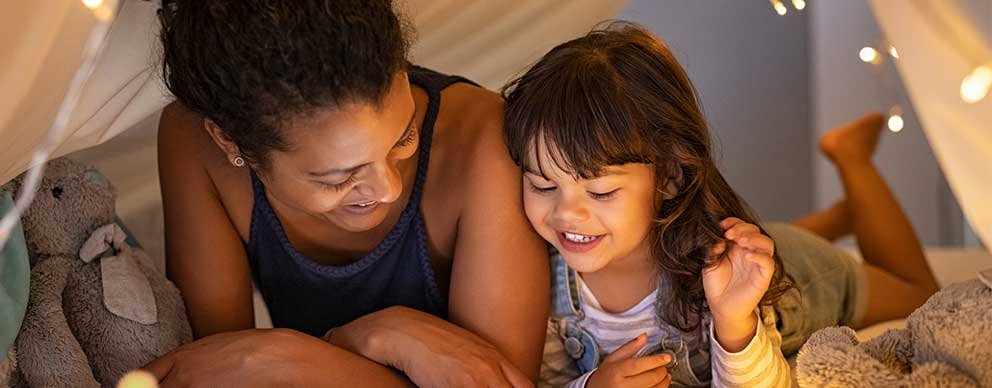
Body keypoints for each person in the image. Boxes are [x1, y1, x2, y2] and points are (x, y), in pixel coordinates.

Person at [500, 22, 938, 387]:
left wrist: (733, 322)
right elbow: (545, 381)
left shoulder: (720, 275)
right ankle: (836, 218)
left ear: (670, 176)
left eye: (600, 193)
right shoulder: (539, 281)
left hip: (799, 274)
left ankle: (852, 158)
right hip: (739, 240)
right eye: (542, 185)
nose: (565, 213)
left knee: (920, 293)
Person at [147, 1, 548, 386]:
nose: (387, 188)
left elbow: (497, 383)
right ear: (231, 142)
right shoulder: (192, 141)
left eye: (404, 136)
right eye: (337, 178)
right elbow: (215, 371)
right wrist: (366, 343)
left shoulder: (482, 139)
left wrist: (306, 354)